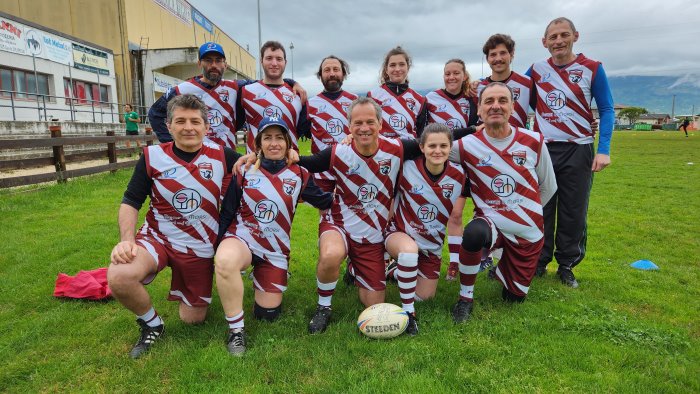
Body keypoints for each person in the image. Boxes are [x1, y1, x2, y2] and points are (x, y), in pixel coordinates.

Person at [108, 94, 240, 358]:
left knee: (192, 320)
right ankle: (152, 324)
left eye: (195, 121)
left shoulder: (222, 155)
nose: (188, 127)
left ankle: (189, 291)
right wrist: (126, 239)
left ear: (206, 126)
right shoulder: (152, 156)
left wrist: (292, 155)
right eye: (180, 121)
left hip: (198, 246)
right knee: (119, 276)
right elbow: (131, 200)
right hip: (157, 238)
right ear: (168, 126)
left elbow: (260, 163)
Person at [214, 115, 332, 356]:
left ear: (289, 144)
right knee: (225, 261)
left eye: (279, 138)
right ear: (258, 144)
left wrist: (355, 193)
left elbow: (324, 200)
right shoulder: (244, 171)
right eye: (267, 138)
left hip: (275, 251)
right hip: (243, 240)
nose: (274, 143)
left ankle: (262, 274)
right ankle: (236, 332)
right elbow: (227, 211)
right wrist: (216, 246)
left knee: (267, 315)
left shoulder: (299, 174)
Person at [449, 82, 556, 322]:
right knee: (474, 232)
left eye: (502, 100)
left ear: (512, 106)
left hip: (526, 234)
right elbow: (428, 148)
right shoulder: (467, 145)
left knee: (513, 299)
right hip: (491, 225)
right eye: (489, 101)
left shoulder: (533, 141)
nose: (495, 106)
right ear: (479, 109)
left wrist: (527, 212)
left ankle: (504, 266)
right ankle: (465, 298)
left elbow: (549, 186)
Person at [527, 17, 614, 287]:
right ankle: (538, 262)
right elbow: (518, 96)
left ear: (575, 36)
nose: (558, 41)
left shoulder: (592, 68)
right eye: (552, 37)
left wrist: (603, 150)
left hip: (579, 148)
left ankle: (566, 265)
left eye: (564, 35)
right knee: (542, 207)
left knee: (573, 210)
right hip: (544, 150)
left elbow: (607, 109)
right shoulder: (536, 70)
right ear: (544, 42)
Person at [384, 123, 467, 334]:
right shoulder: (406, 166)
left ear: (451, 147)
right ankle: (409, 314)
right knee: (409, 252)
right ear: (421, 147)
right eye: (431, 146)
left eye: (443, 146)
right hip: (400, 235)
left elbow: (458, 217)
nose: (437, 151)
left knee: (425, 297)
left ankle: (394, 271)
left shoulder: (460, 175)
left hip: (432, 246)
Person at [148, 42, 305, 148]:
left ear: (225, 64)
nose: (213, 65)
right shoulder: (181, 89)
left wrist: (292, 82)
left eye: (218, 60)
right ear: (199, 64)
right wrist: (170, 142)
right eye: (208, 61)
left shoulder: (236, 87)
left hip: (226, 156)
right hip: (193, 153)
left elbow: (269, 81)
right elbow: (155, 113)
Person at [425, 59, 481, 281]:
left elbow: (477, 129)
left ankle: (455, 264)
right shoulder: (430, 99)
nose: (451, 77)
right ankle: (428, 260)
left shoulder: (472, 99)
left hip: (463, 162)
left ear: (464, 75)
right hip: (438, 163)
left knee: (456, 214)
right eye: (447, 73)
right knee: (435, 213)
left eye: (456, 73)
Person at [239, 41, 310, 153]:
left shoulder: (297, 94)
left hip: (289, 163)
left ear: (285, 62)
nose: (274, 63)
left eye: (279, 59)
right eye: (269, 58)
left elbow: (305, 131)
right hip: (254, 164)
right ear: (261, 61)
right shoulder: (245, 91)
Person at [305, 55, 358, 192]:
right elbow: (305, 132)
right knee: (325, 212)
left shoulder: (355, 101)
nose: (332, 73)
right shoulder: (310, 104)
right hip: (322, 172)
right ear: (320, 75)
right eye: (327, 70)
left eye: (336, 69)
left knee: (352, 211)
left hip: (351, 169)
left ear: (343, 73)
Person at [367, 46, 427, 139]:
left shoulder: (419, 99)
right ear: (386, 69)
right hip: (382, 151)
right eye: (393, 65)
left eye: (402, 64)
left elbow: (421, 134)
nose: (397, 69)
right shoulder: (373, 96)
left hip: (410, 151)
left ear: (408, 67)